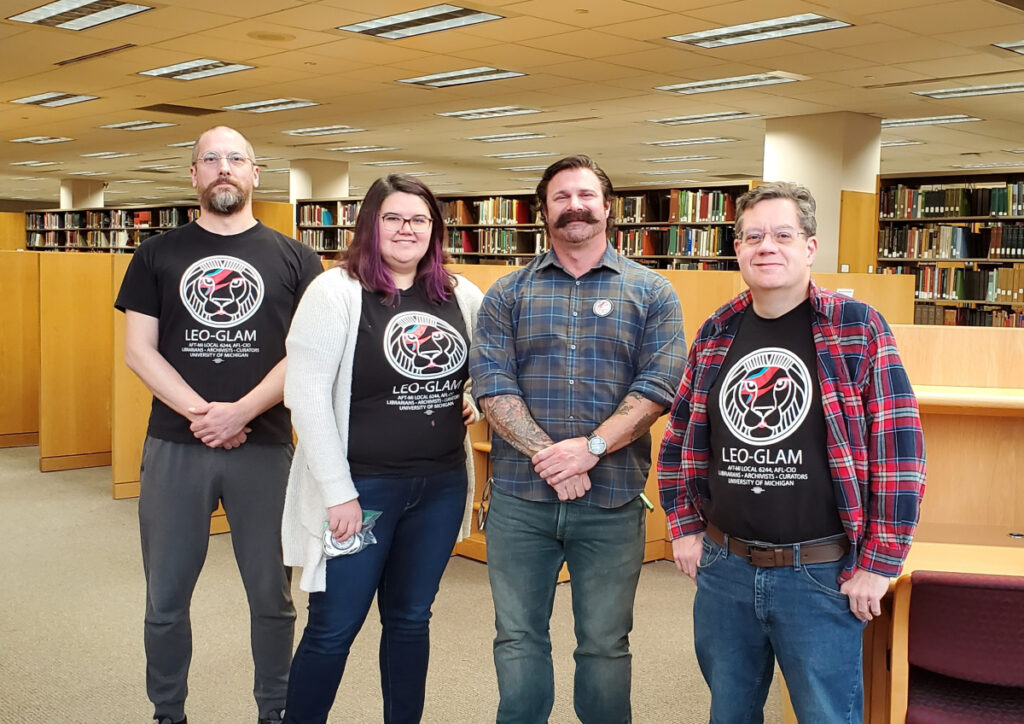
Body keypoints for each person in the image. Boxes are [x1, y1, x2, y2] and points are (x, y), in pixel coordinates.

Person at [657, 181, 926, 722]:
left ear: (809, 247)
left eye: (783, 234)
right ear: (737, 249)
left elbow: (900, 451)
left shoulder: (857, 328)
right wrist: (683, 526)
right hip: (725, 568)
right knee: (729, 712)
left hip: (821, 574)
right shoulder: (715, 332)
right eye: (752, 236)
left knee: (827, 715)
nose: (766, 247)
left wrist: (880, 563)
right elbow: (680, 439)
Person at [114, 126, 323, 724]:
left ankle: (275, 711)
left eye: (236, 158)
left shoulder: (295, 257)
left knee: (272, 598)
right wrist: (204, 415)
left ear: (256, 174)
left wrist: (243, 411)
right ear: (194, 176)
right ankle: (168, 713)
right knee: (166, 597)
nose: (223, 167)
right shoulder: (157, 253)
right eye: (210, 159)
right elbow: (140, 351)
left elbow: (307, 353)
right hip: (177, 445)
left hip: (266, 447)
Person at [469, 155, 686, 724]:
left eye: (586, 195)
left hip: (612, 500)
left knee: (605, 644)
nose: (575, 206)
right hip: (520, 499)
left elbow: (660, 386)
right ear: (544, 210)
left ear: (608, 207)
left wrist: (589, 450)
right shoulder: (506, 293)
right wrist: (551, 457)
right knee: (517, 637)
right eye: (561, 197)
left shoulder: (653, 292)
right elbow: (492, 386)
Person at [280, 174, 484, 724]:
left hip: (439, 489)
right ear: (370, 224)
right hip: (359, 490)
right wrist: (337, 492)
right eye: (393, 218)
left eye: (419, 220)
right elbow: (306, 397)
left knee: (411, 620)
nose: (406, 229)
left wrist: (474, 402)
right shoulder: (334, 292)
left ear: (434, 231)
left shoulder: (461, 295)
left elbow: (492, 372)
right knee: (333, 625)